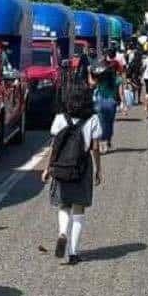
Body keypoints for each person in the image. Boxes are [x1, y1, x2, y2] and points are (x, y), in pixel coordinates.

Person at [42, 84, 102, 265]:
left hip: (61, 167)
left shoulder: (60, 118)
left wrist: (47, 168)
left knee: (64, 205)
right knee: (79, 208)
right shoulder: (93, 119)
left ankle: (62, 232)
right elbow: (96, 148)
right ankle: (73, 253)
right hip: (82, 167)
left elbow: (54, 146)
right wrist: (99, 169)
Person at [90, 61, 123, 151]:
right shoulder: (118, 79)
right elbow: (121, 93)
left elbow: (92, 84)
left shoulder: (101, 78)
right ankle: (107, 140)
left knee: (101, 123)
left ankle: (101, 142)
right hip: (112, 103)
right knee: (110, 123)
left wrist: (89, 72)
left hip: (100, 102)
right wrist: (124, 104)